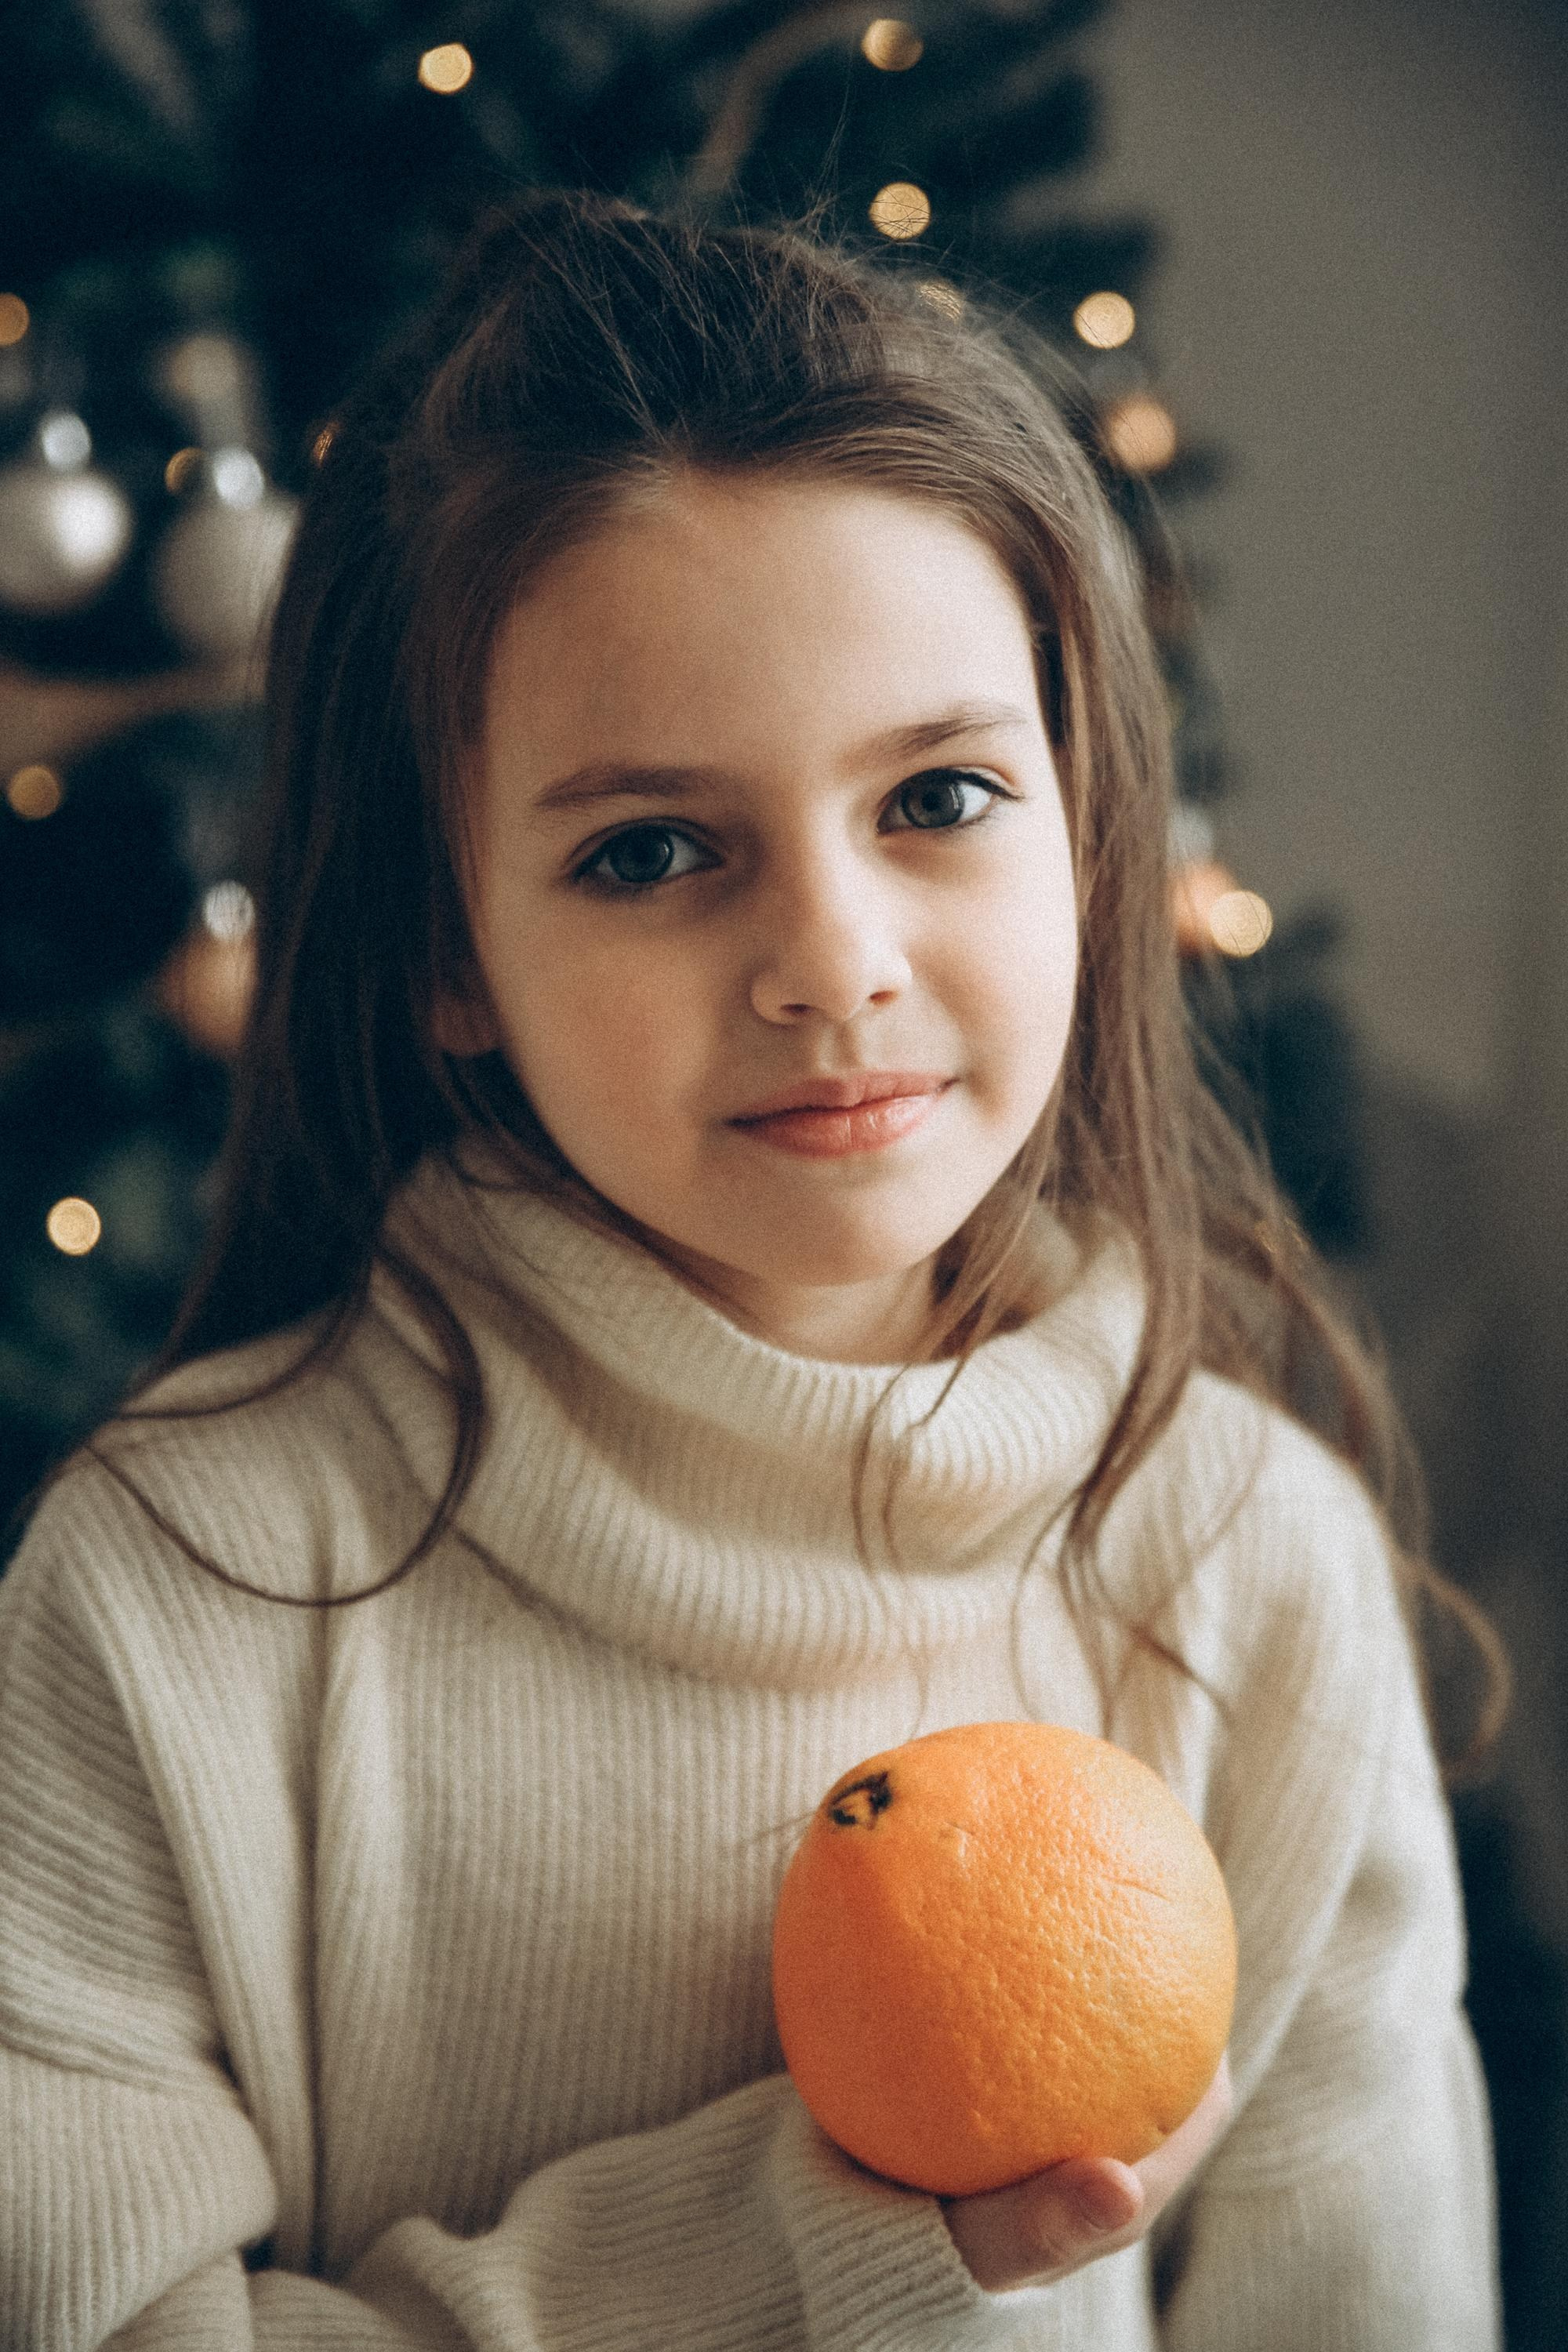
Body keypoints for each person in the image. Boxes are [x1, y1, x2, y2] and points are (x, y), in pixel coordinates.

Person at [0, 191, 1501, 2350]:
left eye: (943, 798)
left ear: (1087, 824)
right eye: (650, 852)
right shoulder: (179, 1593)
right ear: (446, 946)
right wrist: (821, 2230)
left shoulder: (1248, 1564)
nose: (833, 965)